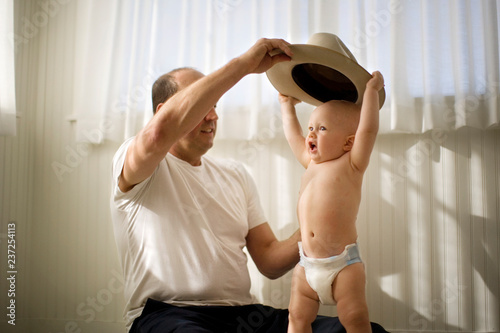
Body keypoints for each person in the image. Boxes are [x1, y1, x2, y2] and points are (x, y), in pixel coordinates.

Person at [110, 37, 388, 333]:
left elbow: (269, 261)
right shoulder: (134, 164)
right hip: (169, 316)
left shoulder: (235, 174)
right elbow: (155, 137)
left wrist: (324, 227)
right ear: (163, 111)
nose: (213, 115)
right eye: (202, 104)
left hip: (243, 316)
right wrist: (244, 65)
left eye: (215, 105)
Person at [278, 71, 384, 333]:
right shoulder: (311, 162)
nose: (311, 134)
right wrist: (286, 107)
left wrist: (371, 93)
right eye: (311, 127)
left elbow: (368, 130)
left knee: (355, 318)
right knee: (297, 318)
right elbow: (293, 135)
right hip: (306, 264)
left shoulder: (352, 164)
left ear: (349, 142)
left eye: (322, 128)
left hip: (342, 265)